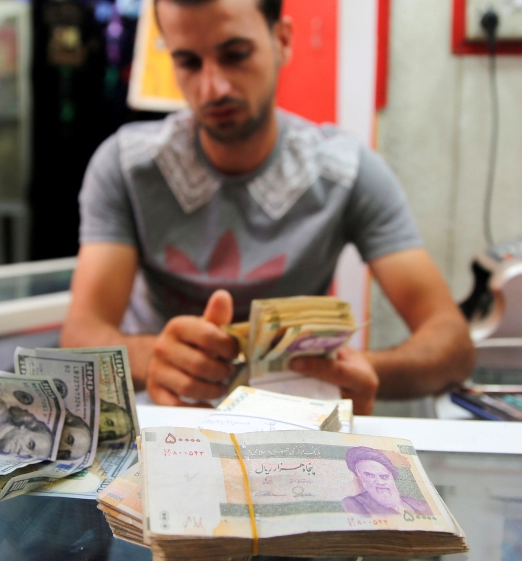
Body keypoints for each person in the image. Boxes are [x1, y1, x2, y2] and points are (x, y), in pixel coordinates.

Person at [62, 0, 475, 415]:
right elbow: (80, 336)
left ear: (282, 41)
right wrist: (155, 358)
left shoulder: (346, 173)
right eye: (188, 62)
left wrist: (357, 371)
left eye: (236, 55)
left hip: (293, 423)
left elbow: (451, 344)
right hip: (163, 419)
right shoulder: (126, 167)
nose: (213, 88)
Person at [340, 446, 431, 517]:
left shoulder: (419, 504)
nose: (380, 482)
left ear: (392, 478)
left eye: (384, 476)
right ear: (359, 477)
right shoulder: (354, 502)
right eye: (370, 475)